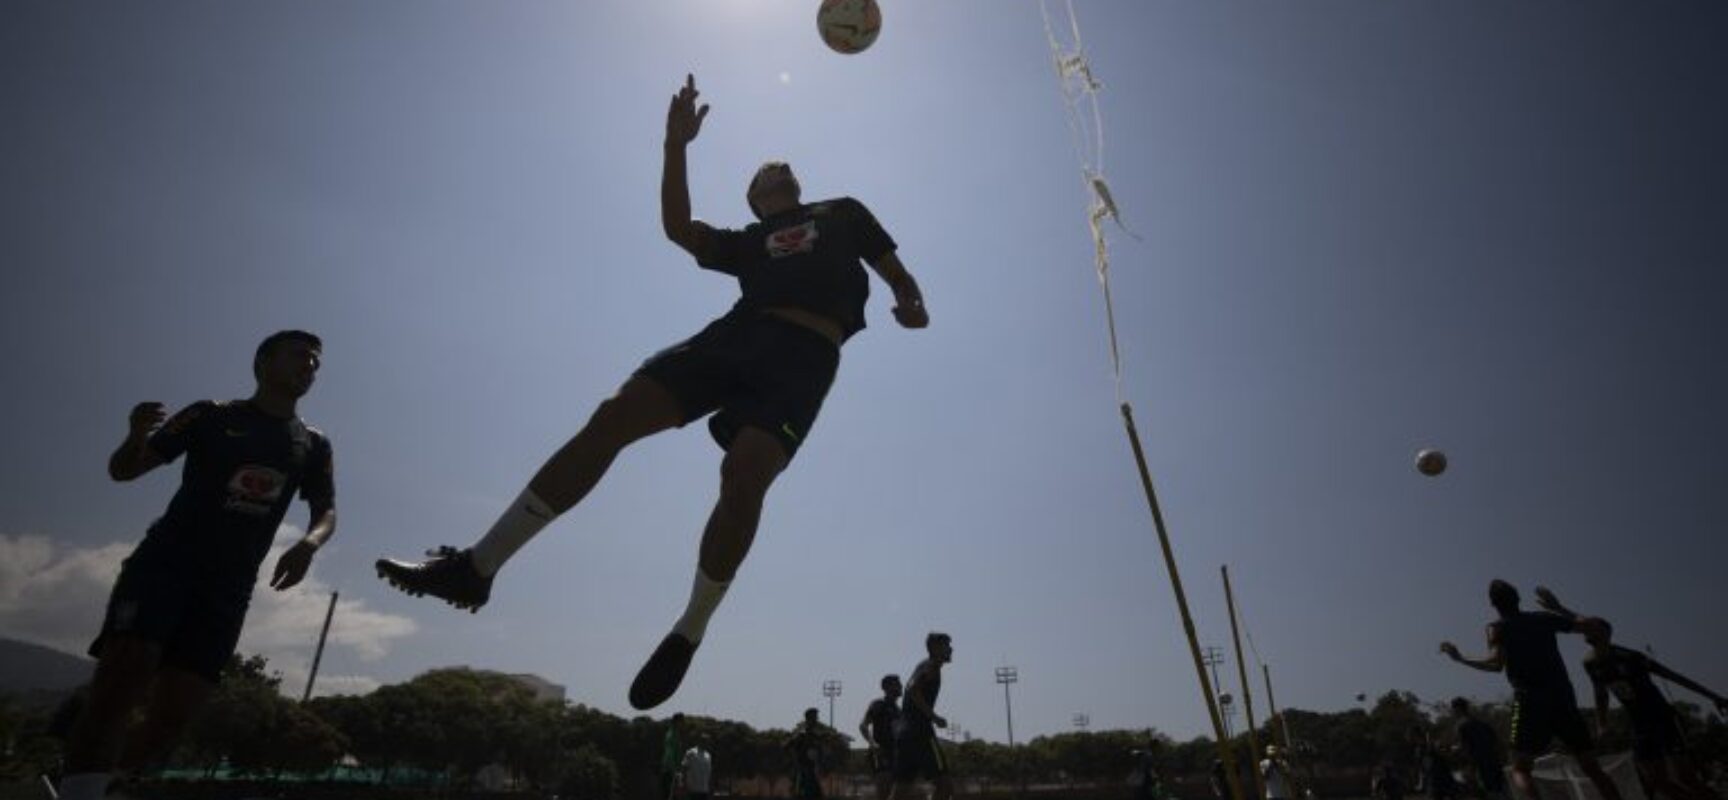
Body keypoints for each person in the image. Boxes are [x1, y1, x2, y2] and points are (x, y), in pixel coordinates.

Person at [374, 72, 930, 711]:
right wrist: (676, 145)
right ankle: (476, 568)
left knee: (744, 473)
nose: (775, 167)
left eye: (780, 165)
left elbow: (895, 270)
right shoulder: (746, 242)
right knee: (613, 416)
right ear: (754, 198)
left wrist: (910, 299)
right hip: (737, 336)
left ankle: (689, 628)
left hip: (805, 358)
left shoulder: (842, 212)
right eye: (761, 171)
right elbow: (676, 227)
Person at [58, 331, 336, 800]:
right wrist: (135, 436)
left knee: (176, 712)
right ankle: (78, 789)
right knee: (123, 677)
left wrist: (309, 544)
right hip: (165, 563)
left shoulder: (313, 443)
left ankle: (113, 784)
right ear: (263, 362)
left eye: (315, 361)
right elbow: (126, 470)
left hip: (229, 586)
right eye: (298, 355)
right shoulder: (210, 414)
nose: (309, 365)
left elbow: (326, 510)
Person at [1439, 581, 1623, 800]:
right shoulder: (1542, 618)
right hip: (1563, 698)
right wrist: (1558, 607)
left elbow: (1495, 664)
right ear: (1518, 599)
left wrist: (1460, 658)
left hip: (1530, 700)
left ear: (1493, 605)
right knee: (1592, 767)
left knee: (1520, 768)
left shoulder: (1497, 627)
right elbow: (1594, 627)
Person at [1573, 610, 1728, 800]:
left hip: (1663, 719)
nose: (1583, 631)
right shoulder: (1590, 663)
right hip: (1640, 726)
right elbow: (1600, 694)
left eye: (1589, 628)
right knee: (1656, 781)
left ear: (1604, 632)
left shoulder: (1631, 657)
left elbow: (1675, 677)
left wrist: (1714, 696)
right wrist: (1601, 724)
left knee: (1686, 778)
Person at [888, 633, 955, 800]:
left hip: (904, 736)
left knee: (900, 790)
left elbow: (911, 689)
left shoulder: (923, 665)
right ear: (935, 648)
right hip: (921, 733)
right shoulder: (932, 666)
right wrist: (934, 717)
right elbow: (912, 689)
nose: (951, 649)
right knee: (945, 785)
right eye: (946, 645)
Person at [1450, 698, 1509, 800]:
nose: (1453, 712)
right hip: (1494, 762)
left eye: (1453, 709)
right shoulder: (1483, 724)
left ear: (1458, 709)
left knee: (1486, 793)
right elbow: (1498, 743)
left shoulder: (1461, 726)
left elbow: (1465, 748)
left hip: (1479, 766)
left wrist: (1455, 750)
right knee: (1501, 792)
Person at [859, 674, 902, 800]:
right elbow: (863, 725)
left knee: (899, 790)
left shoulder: (899, 711)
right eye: (897, 684)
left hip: (896, 754)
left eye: (900, 684)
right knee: (884, 788)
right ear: (886, 687)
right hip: (881, 752)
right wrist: (873, 744)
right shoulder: (879, 704)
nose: (900, 687)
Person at [1411, 725, 1460, 800]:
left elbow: (1446, 753)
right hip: (1432, 780)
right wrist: (1420, 781)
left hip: (1443, 777)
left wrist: (1448, 750)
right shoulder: (1419, 750)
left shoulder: (1433, 745)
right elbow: (1421, 767)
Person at [787, 708, 826, 799]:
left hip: (812, 771)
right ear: (808, 719)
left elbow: (819, 752)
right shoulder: (801, 734)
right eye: (814, 718)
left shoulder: (815, 735)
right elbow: (787, 746)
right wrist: (796, 761)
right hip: (803, 772)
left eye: (816, 718)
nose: (816, 720)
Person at [661, 713, 686, 800]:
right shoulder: (672, 734)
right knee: (670, 796)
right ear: (677, 722)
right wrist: (674, 770)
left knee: (675, 796)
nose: (683, 724)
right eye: (682, 721)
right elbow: (670, 753)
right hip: (670, 771)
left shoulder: (675, 734)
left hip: (673, 770)